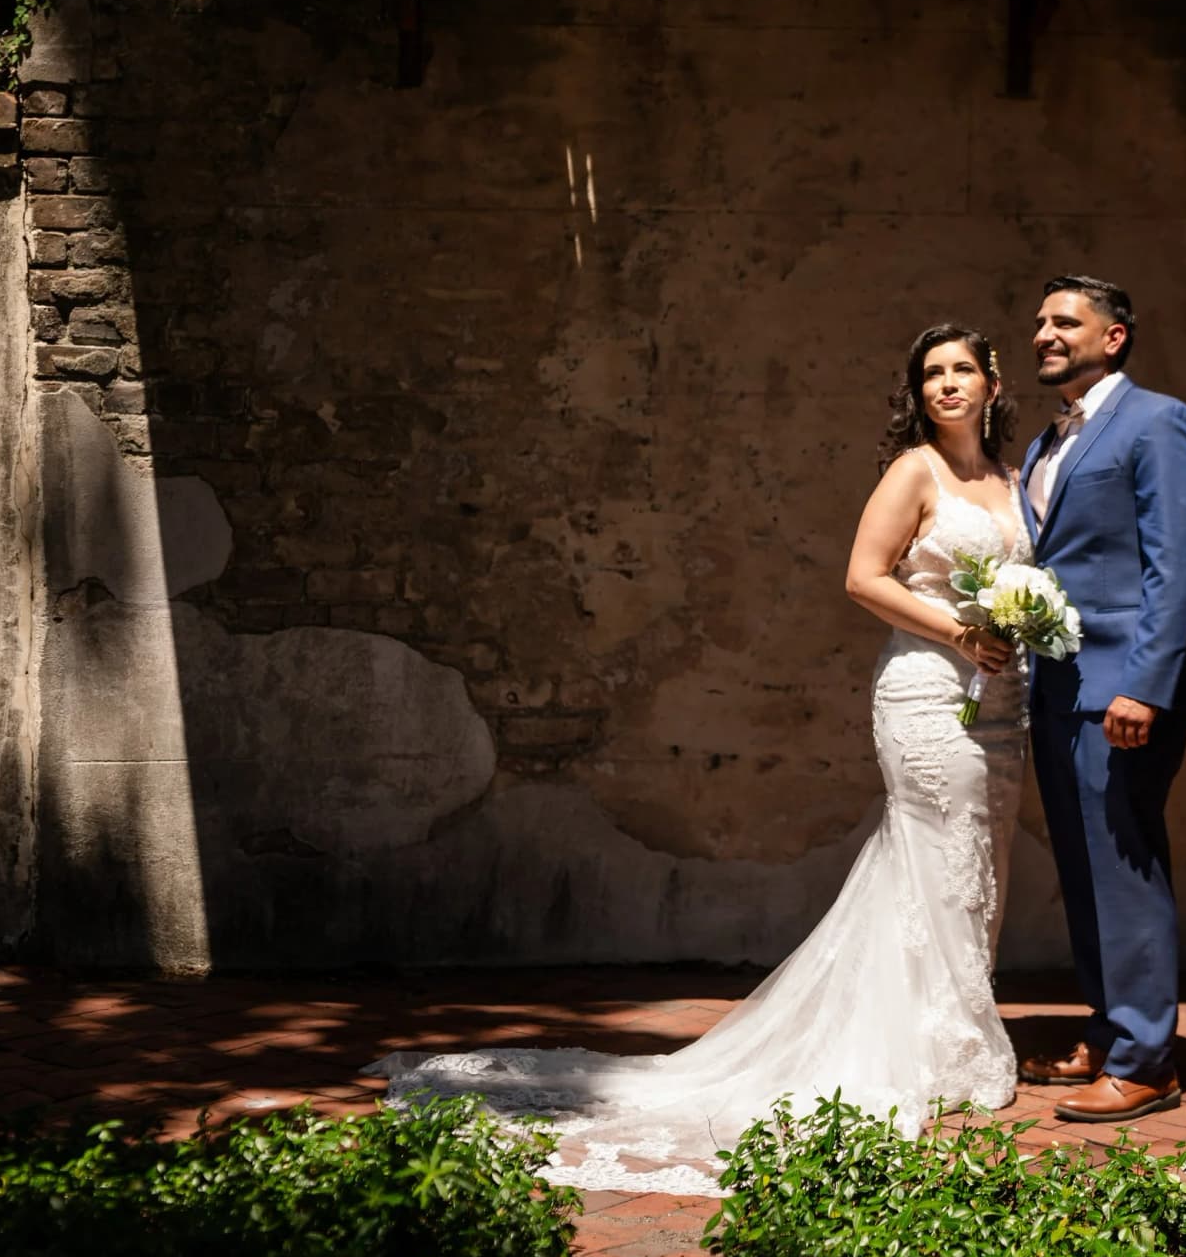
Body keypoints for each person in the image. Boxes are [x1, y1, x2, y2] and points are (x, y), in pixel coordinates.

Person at [367, 325, 1034, 1195]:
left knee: (982, 860)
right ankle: (934, 1050)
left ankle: (951, 1031)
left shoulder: (1014, 480)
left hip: (1003, 702)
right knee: (939, 858)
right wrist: (961, 630)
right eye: (932, 374)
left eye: (962, 370)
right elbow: (863, 578)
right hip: (923, 692)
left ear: (992, 382)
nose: (947, 385)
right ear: (918, 393)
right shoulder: (914, 472)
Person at [1017, 274, 1186, 1124]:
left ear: (1116, 336)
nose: (1045, 334)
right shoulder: (1044, 442)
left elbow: (1178, 565)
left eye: (1066, 321)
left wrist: (1145, 684)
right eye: (1039, 322)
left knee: (1126, 871)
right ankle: (1106, 1032)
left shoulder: (1159, 422)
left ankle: (1146, 1061)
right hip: (1057, 689)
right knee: (1084, 871)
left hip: (1122, 693)